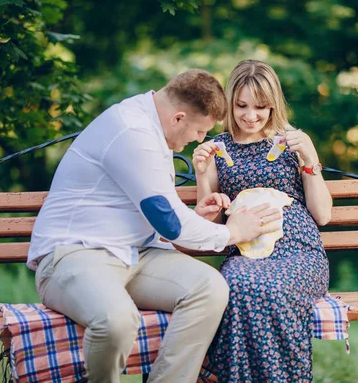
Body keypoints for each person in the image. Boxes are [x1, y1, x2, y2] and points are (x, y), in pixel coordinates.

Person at [26, 69, 281, 383]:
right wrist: (233, 232)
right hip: (75, 254)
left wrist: (197, 219)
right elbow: (168, 221)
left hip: (138, 255)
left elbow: (163, 217)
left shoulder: (153, 130)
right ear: (178, 117)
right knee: (116, 320)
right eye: (200, 131)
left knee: (211, 289)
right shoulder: (131, 130)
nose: (199, 140)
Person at [193, 60, 332, 382]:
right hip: (245, 252)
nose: (250, 115)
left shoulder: (292, 142)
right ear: (230, 103)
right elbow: (210, 220)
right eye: (241, 105)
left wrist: (311, 161)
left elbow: (323, 215)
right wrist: (202, 175)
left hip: (298, 251)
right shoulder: (219, 147)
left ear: (274, 105)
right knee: (239, 284)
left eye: (261, 107)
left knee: (267, 288)